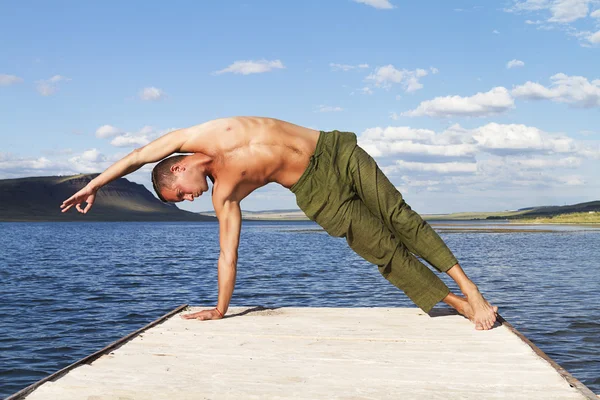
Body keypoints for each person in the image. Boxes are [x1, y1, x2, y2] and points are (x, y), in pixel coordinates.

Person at [61, 116, 498, 330]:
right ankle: (459, 304)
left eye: (181, 193)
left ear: (175, 169)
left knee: (399, 215)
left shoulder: (200, 135)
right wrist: (220, 309)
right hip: (314, 191)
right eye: (183, 202)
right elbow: (227, 254)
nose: (189, 198)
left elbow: (139, 155)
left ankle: (471, 287)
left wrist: (93, 184)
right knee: (382, 250)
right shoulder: (224, 195)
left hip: (334, 153)